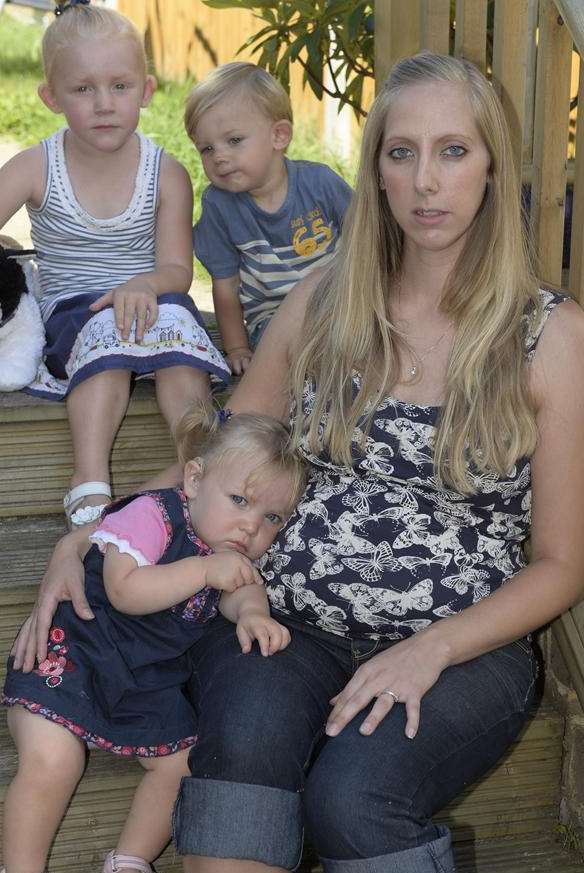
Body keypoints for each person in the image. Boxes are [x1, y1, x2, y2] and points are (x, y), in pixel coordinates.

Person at [10, 50, 584, 873]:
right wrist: (91, 537)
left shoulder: (551, 337)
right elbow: (226, 458)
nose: (426, 180)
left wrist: (431, 648)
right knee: (242, 747)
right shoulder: (324, 301)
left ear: (493, 167)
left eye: (454, 150)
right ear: (376, 170)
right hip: (282, 617)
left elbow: (563, 564)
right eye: (401, 152)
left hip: (465, 646)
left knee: (351, 798)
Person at [1, 404, 307, 873]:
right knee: (55, 760)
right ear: (194, 480)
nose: (251, 526)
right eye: (240, 501)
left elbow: (243, 590)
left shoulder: (225, 550)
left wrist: (251, 615)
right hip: (76, 653)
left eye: (273, 518)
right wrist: (204, 570)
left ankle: (129, 860)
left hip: (146, 679)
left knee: (182, 763)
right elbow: (124, 591)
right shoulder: (153, 515)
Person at [0, 0, 230, 528]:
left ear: (146, 90)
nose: (104, 103)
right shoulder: (38, 165)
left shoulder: (165, 172)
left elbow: (176, 268)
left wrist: (143, 285)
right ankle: (90, 481)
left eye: (120, 86)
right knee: (106, 337)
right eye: (83, 89)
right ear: (51, 97)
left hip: (153, 300)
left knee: (176, 334)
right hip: (75, 312)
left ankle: (202, 463)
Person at [185, 61, 353, 375]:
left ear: (279, 135)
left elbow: (369, 240)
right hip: (273, 323)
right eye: (206, 148)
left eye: (234, 140)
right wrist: (237, 347)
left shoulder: (320, 184)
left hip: (339, 305)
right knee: (304, 357)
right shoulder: (219, 205)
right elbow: (226, 285)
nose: (219, 156)